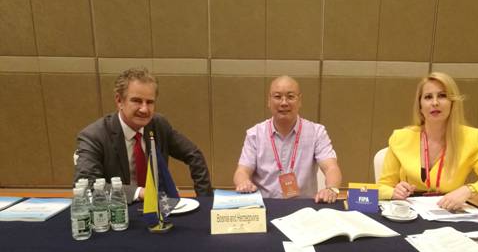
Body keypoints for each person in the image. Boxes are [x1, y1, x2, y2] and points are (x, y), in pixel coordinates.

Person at [378, 71, 478, 210]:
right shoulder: (400, 138)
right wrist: (394, 192)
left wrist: (468, 190)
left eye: (442, 96)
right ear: (420, 106)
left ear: (452, 103)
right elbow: (382, 187)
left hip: (448, 211)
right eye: (428, 97)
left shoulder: (472, 138)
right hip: (409, 212)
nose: (435, 103)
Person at [74, 67, 212, 203]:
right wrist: (140, 193)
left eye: (150, 102)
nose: (144, 109)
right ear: (119, 101)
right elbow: (87, 185)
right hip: (118, 210)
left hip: (157, 209)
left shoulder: (159, 125)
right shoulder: (94, 136)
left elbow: (194, 155)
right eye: (137, 101)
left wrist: (205, 200)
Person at [234, 75, 342, 203]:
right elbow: (242, 171)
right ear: (269, 101)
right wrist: (243, 182)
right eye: (277, 97)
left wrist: (331, 188)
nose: (284, 103)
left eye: (290, 97)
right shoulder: (255, 134)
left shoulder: (317, 132)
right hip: (265, 205)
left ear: (299, 101)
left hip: (303, 207)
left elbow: (331, 167)